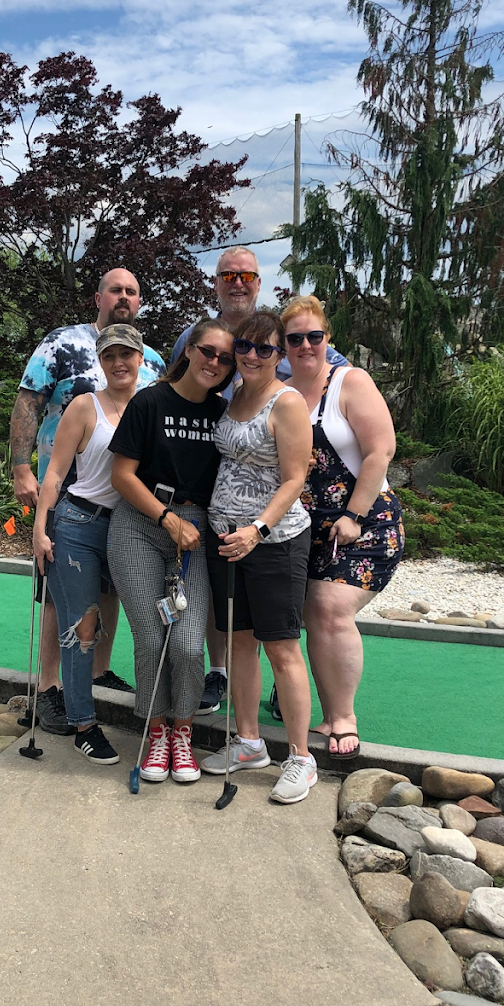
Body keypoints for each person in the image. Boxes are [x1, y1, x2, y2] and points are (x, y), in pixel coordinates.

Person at [173, 247, 347, 716]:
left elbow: (331, 371)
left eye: (247, 275)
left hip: (273, 525)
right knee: (234, 628)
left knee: (279, 639)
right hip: (218, 518)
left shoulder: (285, 344)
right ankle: (226, 686)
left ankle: (296, 738)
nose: (237, 282)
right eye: (228, 274)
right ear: (215, 281)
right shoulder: (200, 342)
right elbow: (182, 392)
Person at [10, 269, 165, 731]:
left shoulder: (152, 361)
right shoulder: (62, 343)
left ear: (140, 301)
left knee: (109, 590)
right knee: (59, 597)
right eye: (116, 290)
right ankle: (49, 686)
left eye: (132, 291)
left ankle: (99, 670)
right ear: (99, 297)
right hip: (65, 494)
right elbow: (28, 402)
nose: (124, 297)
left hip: (126, 503)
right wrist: (21, 468)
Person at [108, 320, 236, 785]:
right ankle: (157, 732)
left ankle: (183, 731)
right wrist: (166, 518)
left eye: (225, 358)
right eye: (207, 351)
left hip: (196, 531)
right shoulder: (150, 401)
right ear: (189, 350)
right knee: (150, 639)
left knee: (185, 643)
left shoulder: (224, 413)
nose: (214, 362)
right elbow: (122, 475)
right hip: (140, 525)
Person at [200, 310, 317, 805]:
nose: (251, 355)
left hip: (274, 542)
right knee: (240, 643)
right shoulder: (233, 394)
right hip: (226, 540)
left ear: (278, 354)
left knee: (282, 648)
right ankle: (249, 743)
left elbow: (294, 479)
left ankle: (301, 757)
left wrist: (257, 529)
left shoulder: (286, 402)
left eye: (264, 348)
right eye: (244, 346)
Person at [282, 294, 403, 759]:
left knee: (329, 607)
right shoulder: (282, 392)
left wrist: (352, 515)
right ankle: (328, 712)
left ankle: (344, 717)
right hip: (306, 529)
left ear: (326, 338)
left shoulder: (350, 382)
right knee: (314, 615)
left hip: (365, 522)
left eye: (314, 336)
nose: (305, 346)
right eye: (295, 338)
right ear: (284, 344)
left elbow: (381, 451)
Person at [33, 325, 145, 767]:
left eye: (126, 354)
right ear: (100, 360)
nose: (119, 363)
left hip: (132, 528)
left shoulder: (151, 405)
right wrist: (40, 528)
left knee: (149, 622)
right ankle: (84, 725)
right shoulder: (84, 406)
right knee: (81, 628)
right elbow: (56, 473)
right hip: (79, 523)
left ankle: (160, 720)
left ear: (140, 359)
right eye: (109, 355)